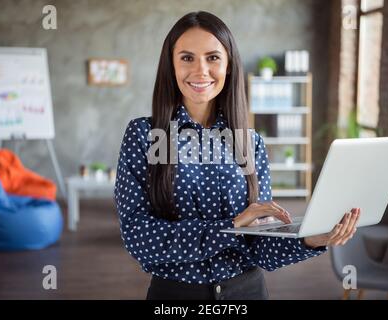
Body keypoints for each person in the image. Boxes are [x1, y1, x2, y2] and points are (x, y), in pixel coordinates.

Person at [114, 11, 360, 300]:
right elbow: (139, 239)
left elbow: (261, 249)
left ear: (229, 65)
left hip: (248, 292)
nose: (201, 70)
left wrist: (310, 239)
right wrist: (230, 227)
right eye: (187, 57)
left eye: (213, 57)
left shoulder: (250, 143)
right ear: (171, 65)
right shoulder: (143, 134)